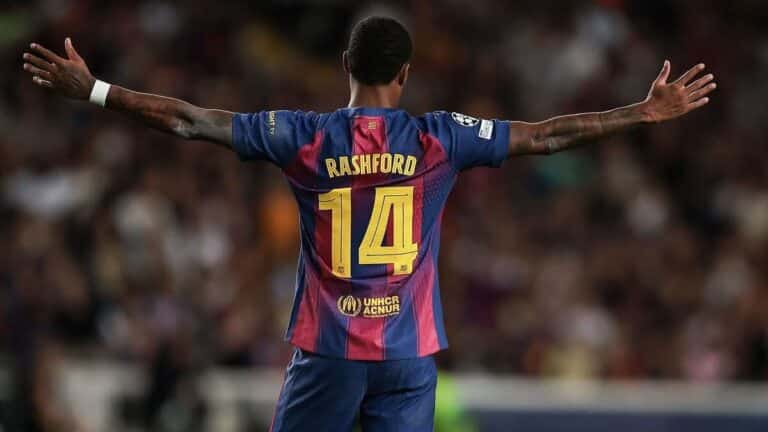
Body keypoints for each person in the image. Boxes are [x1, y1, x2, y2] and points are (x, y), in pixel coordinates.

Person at [22, 15, 716, 432]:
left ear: (346, 66)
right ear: (405, 73)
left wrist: (97, 90)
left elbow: (191, 121)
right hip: (407, 358)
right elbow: (548, 135)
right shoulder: (441, 138)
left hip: (328, 354)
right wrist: (641, 112)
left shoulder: (303, 136)